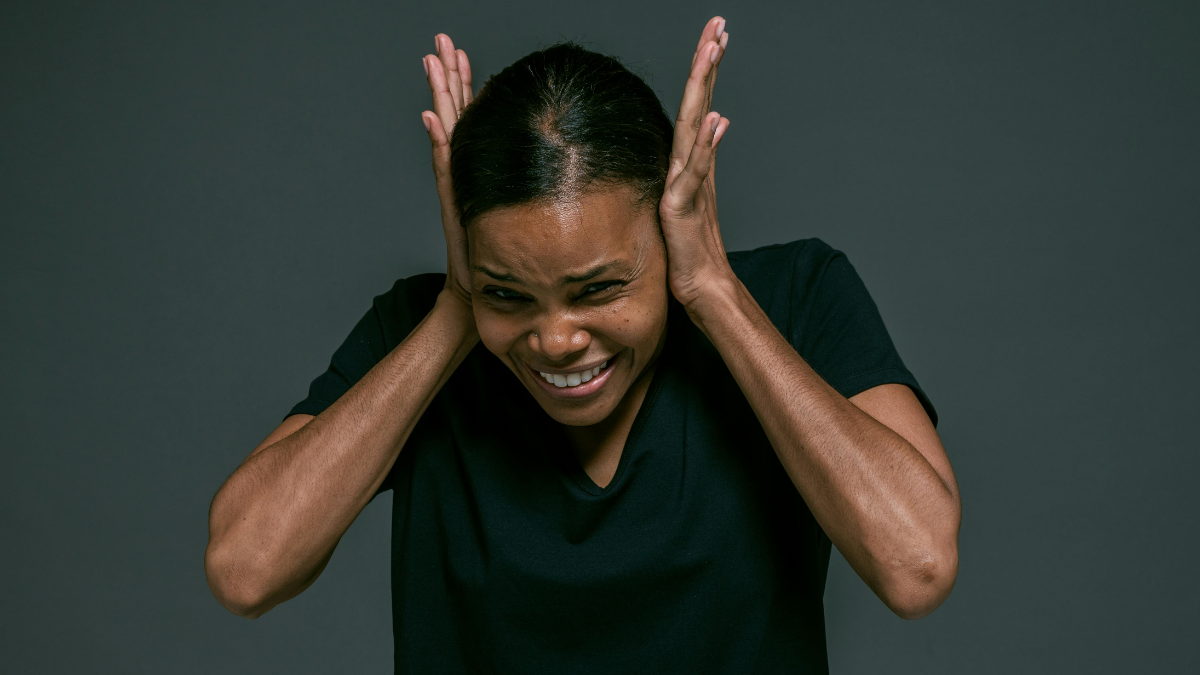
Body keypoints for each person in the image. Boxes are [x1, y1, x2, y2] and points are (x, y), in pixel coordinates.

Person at [205, 16, 961, 673]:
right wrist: (457, 310)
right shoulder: (424, 325)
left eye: (599, 289)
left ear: (668, 229)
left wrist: (715, 293)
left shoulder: (796, 296)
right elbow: (245, 568)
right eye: (512, 293)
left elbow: (917, 564)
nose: (556, 339)